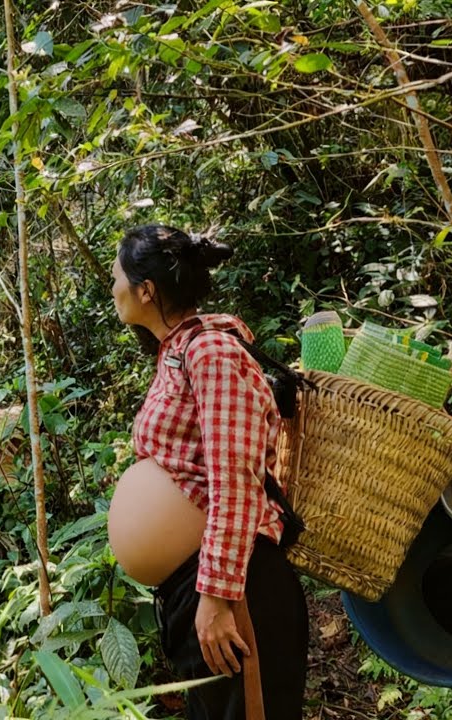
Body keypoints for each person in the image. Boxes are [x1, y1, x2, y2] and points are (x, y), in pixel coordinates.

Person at [104, 224, 308, 719]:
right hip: (197, 587)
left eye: (117, 277)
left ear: (145, 290)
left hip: (238, 591)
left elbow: (235, 477)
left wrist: (217, 595)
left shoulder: (211, 353)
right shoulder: (177, 352)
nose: (111, 289)